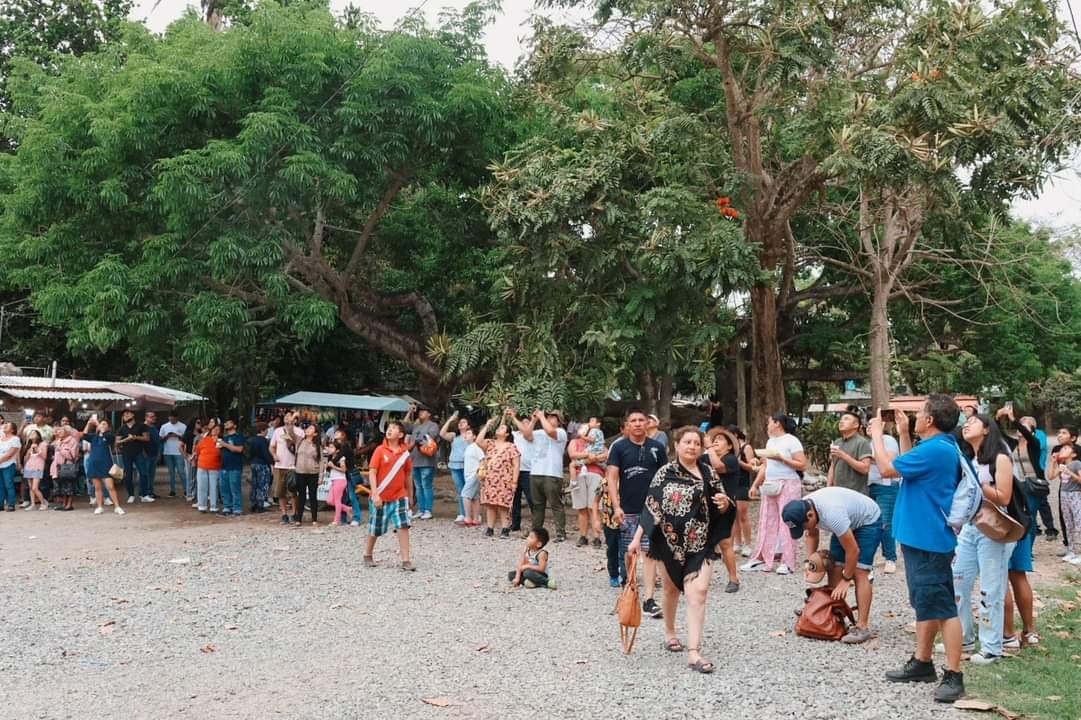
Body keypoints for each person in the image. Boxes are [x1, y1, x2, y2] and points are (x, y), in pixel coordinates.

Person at [869, 396, 965, 704]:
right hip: (922, 537)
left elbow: (887, 469)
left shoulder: (936, 449)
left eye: (920, 413)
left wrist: (876, 435)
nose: (916, 417)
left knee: (943, 608)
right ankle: (923, 662)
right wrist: (903, 434)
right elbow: (908, 467)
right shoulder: (937, 447)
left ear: (930, 420)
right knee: (926, 603)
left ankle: (954, 675)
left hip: (928, 539)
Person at [627, 426, 735, 673]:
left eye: (696, 443)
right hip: (668, 542)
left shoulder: (708, 472)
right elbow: (651, 507)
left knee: (699, 592)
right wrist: (637, 539)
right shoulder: (664, 473)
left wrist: (723, 504)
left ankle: (694, 652)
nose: (692, 447)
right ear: (676, 445)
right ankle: (670, 632)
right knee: (671, 590)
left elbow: (722, 501)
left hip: (701, 543)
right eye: (687, 442)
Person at [950, 413, 1019, 664]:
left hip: (993, 529)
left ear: (988, 429)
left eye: (974, 421)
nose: (967, 424)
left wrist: (978, 485)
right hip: (969, 528)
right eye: (966, 422)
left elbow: (1004, 496)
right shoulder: (968, 458)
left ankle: (991, 647)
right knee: (958, 582)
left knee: (991, 589)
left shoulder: (1000, 458)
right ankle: (964, 638)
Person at [783, 486, 883, 643]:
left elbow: (853, 551)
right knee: (835, 567)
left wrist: (846, 580)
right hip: (846, 521)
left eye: (803, 526)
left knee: (860, 571)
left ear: (810, 515)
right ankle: (829, 612)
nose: (803, 529)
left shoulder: (833, 515)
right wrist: (810, 563)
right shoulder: (803, 508)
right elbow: (812, 535)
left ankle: (862, 627)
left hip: (868, 521)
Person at [606, 407, 667, 614]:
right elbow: (612, 477)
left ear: (648, 423)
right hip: (628, 508)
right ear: (627, 425)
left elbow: (664, 477)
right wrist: (616, 505)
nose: (638, 423)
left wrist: (663, 505)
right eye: (633, 420)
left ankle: (649, 599)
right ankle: (630, 588)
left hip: (652, 508)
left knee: (650, 551)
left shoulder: (657, 447)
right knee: (629, 551)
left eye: (642, 420)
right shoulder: (619, 447)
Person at [743, 414, 806, 576]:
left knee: (787, 520)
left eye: (769, 422)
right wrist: (755, 483)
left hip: (788, 483)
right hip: (770, 483)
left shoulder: (792, 440)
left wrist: (782, 459)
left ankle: (788, 561)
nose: (767, 425)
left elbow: (802, 464)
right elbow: (766, 466)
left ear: (777, 423)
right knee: (767, 520)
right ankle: (764, 558)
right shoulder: (770, 441)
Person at [364, 421, 416, 571]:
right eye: (388, 428)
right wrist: (375, 493)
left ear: (401, 434)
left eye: (393, 428)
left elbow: (408, 475)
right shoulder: (380, 450)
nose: (389, 430)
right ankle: (368, 554)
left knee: (403, 525)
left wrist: (410, 495)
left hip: (399, 495)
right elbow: (372, 472)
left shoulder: (405, 454)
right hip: (381, 495)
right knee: (375, 527)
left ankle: (406, 560)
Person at [704, 427, 742, 592]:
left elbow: (718, 466)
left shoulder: (731, 459)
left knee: (725, 543)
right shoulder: (706, 457)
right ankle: (701, 578)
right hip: (706, 504)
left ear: (729, 446)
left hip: (725, 505)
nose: (715, 442)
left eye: (720, 439)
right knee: (704, 543)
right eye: (714, 439)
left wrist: (709, 448)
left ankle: (733, 579)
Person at [523, 410, 569, 542]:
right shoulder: (539, 432)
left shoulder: (561, 432)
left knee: (556, 504)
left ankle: (560, 532)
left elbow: (550, 432)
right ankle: (536, 531)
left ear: (559, 421)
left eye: (553, 417)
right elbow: (526, 435)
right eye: (548, 417)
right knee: (537, 505)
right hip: (536, 472)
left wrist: (542, 417)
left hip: (552, 473)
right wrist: (533, 420)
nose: (549, 419)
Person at [476, 418, 520, 538]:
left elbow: (516, 465)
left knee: (503, 505)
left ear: (507, 434)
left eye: (503, 428)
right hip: (489, 479)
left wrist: (514, 481)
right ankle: (490, 528)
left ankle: (505, 529)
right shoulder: (490, 443)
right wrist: (487, 425)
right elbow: (478, 441)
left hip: (505, 480)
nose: (499, 428)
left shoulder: (511, 447)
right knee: (490, 504)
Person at [868, 419, 902, 573]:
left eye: (872, 424)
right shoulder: (867, 443)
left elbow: (890, 460)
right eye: (868, 424)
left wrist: (868, 458)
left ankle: (891, 558)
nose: (869, 426)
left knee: (885, 522)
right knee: (873, 522)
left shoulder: (887, 440)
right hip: (870, 485)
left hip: (886, 485)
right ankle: (883, 553)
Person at [567, 424, 605, 547]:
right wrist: (589, 456)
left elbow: (606, 455)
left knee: (594, 508)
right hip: (578, 475)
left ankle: (596, 537)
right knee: (581, 507)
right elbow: (572, 454)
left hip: (596, 474)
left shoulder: (599, 442)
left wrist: (589, 458)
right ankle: (583, 536)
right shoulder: (574, 442)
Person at [404, 404, 440, 520]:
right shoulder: (416, 426)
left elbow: (430, 438)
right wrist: (409, 412)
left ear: (429, 414)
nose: (420, 413)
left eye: (423, 411)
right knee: (418, 487)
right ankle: (421, 509)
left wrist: (415, 441)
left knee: (426, 485)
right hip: (414, 460)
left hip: (427, 461)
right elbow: (403, 426)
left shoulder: (433, 425)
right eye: (420, 411)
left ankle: (428, 510)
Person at [1047, 444, 1081, 564]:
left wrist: (1069, 472)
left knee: (1078, 524)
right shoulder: (1062, 465)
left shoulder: (1077, 464)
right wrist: (1052, 462)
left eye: (1066, 449)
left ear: (1074, 454)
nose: (1062, 450)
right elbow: (1051, 477)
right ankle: (1072, 552)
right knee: (1068, 524)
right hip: (1064, 495)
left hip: (1075, 495)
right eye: (1062, 448)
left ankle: (1079, 553)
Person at [85, 417, 125, 516]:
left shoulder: (109, 436)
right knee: (97, 487)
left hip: (106, 464)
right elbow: (83, 435)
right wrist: (89, 423)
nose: (101, 426)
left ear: (108, 427)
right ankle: (99, 506)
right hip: (94, 464)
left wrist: (97, 422)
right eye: (101, 424)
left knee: (110, 486)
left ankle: (117, 507)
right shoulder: (94, 436)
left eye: (104, 424)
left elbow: (109, 438)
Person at [828, 409, 872, 494]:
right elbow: (832, 466)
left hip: (855, 493)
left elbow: (865, 469)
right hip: (837, 491)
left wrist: (843, 456)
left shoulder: (862, 442)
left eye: (846, 419)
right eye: (841, 420)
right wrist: (828, 488)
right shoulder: (837, 442)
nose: (841, 422)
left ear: (856, 425)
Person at [270, 412, 302, 525]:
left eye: (290, 416)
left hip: (293, 465)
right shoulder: (277, 431)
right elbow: (272, 446)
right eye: (286, 416)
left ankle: (294, 513)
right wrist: (274, 455)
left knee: (293, 491)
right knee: (280, 492)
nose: (287, 418)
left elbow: (299, 445)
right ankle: (284, 514)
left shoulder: (299, 431)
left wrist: (290, 428)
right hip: (280, 465)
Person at [441, 412, 471, 525]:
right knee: (460, 490)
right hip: (454, 465)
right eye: (460, 422)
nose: (461, 423)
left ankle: (471, 513)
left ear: (468, 426)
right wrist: (450, 420)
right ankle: (462, 513)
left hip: (467, 466)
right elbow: (442, 433)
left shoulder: (471, 436)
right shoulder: (454, 436)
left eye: (464, 422)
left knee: (469, 490)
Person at [507, 409, 535, 532]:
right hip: (515, 470)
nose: (524, 425)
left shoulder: (532, 435)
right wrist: (506, 416)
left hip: (528, 471)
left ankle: (536, 522)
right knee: (515, 499)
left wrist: (514, 417)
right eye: (523, 423)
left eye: (527, 423)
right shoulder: (516, 434)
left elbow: (526, 432)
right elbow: (502, 428)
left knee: (531, 498)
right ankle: (515, 524)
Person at [115, 409, 150, 503]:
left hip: (139, 453)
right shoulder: (122, 428)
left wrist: (135, 437)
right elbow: (117, 442)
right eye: (124, 414)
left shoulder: (141, 426)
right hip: (126, 454)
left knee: (143, 473)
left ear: (133, 415)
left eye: (127, 413)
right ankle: (131, 495)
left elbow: (147, 438)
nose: (125, 415)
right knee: (128, 475)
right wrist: (126, 440)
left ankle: (144, 495)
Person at [294, 424, 322, 526]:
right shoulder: (299, 441)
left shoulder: (317, 445)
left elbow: (321, 461)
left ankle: (314, 519)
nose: (308, 430)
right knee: (301, 496)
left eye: (311, 429)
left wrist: (321, 476)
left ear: (315, 433)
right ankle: (298, 519)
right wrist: (291, 421)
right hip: (300, 472)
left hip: (313, 473)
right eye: (308, 428)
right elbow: (291, 433)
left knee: (313, 496)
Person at [50, 424, 81, 512]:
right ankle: (64, 504)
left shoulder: (73, 441)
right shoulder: (58, 441)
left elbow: (72, 456)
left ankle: (69, 505)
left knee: (68, 486)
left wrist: (61, 450)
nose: (59, 432)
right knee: (62, 486)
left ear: (67, 432)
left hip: (67, 466)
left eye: (61, 430)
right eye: (59, 430)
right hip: (57, 467)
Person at [193, 423, 222, 514]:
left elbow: (221, 453)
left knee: (213, 487)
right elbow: (197, 450)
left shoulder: (220, 441)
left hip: (215, 466)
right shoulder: (204, 439)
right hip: (202, 465)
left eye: (218, 430)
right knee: (202, 486)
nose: (215, 431)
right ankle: (202, 506)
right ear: (211, 431)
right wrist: (193, 458)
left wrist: (218, 442)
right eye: (214, 429)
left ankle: (214, 506)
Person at [218, 420, 245, 517]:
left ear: (235, 425)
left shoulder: (239, 437)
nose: (226, 424)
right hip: (224, 466)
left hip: (235, 466)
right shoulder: (224, 438)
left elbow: (239, 449)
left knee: (235, 488)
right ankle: (227, 507)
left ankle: (237, 508)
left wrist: (225, 445)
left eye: (229, 423)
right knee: (224, 488)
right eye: (226, 423)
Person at [326, 438, 355, 526]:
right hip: (333, 480)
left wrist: (333, 466)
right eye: (329, 447)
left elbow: (343, 470)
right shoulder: (331, 458)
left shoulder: (341, 458)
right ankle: (347, 509)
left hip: (340, 480)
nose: (329, 449)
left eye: (332, 447)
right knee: (330, 501)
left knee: (337, 500)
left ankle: (337, 520)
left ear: (337, 450)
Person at [159, 411, 188, 498]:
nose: (172, 420)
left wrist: (177, 435)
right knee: (171, 472)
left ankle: (186, 489)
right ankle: (172, 490)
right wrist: (166, 436)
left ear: (177, 418)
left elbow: (186, 438)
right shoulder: (164, 426)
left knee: (181, 471)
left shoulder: (183, 426)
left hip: (179, 452)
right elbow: (160, 439)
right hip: (167, 451)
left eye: (173, 419)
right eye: (170, 418)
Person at [461, 426, 484, 526]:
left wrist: (480, 473)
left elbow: (482, 459)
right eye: (466, 433)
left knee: (465, 494)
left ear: (474, 436)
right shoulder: (468, 447)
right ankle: (476, 518)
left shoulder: (476, 447)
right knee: (475, 497)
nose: (466, 435)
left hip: (474, 475)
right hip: (469, 475)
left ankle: (467, 517)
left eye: (469, 433)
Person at [248, 421, 273, 513]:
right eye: (266, 430)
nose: (267, 432)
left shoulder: (252, 440)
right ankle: (260, 504)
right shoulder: (263, 441)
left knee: (255, 484)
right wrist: (272, 462)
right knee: (263, 484)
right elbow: (266, 454)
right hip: (262, 464)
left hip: (254, 463)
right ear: (263, 430)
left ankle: (253, 503)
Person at [20, 430, 48, 510]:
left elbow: (44, 457)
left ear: (38, 435)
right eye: (30, 433)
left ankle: (43, 503)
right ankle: (33, 504)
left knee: (35, 488)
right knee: (30, 487)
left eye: (33, 433)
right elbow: (26, 459)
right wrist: (27, 454)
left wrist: (37, 449)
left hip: (38, 467)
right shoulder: (29, 445)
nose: (31, 435)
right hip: (29, 466)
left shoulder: (43, 444)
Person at [0, 422, 21, 511]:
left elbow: (10, 454)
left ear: (12, 430)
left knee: (9, 485)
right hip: (0, 465)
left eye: (7, 425)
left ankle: (11, 504)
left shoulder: (15, 439)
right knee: (0, 486)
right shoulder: (1, 438)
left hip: (9, 465)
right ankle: (0, 505)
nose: (5, 426)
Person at [182, 418, 203, 502]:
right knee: (190, 476)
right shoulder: (188, 433)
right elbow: (180, 445)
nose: (200, 424)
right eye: (198, 422)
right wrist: (186, 457)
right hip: (190, 456)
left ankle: (195, 494)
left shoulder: (201, 434)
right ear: (193, 423)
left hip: (199, 457)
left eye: (200, 422)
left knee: (197, 477)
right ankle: (189, 494)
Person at [142, 411, 161, 500]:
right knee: (145, 474)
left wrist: (158, 452)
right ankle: (144, 493)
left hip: (154, 454)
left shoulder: (154, 428)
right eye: (151, 417)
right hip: (146, 454)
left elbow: (157, 441)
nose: (154, 418)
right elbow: (140, 441)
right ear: (146, 417)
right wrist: (143, 452)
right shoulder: (142, 427)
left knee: (152, 475)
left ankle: (150, 492)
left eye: (154, 416)